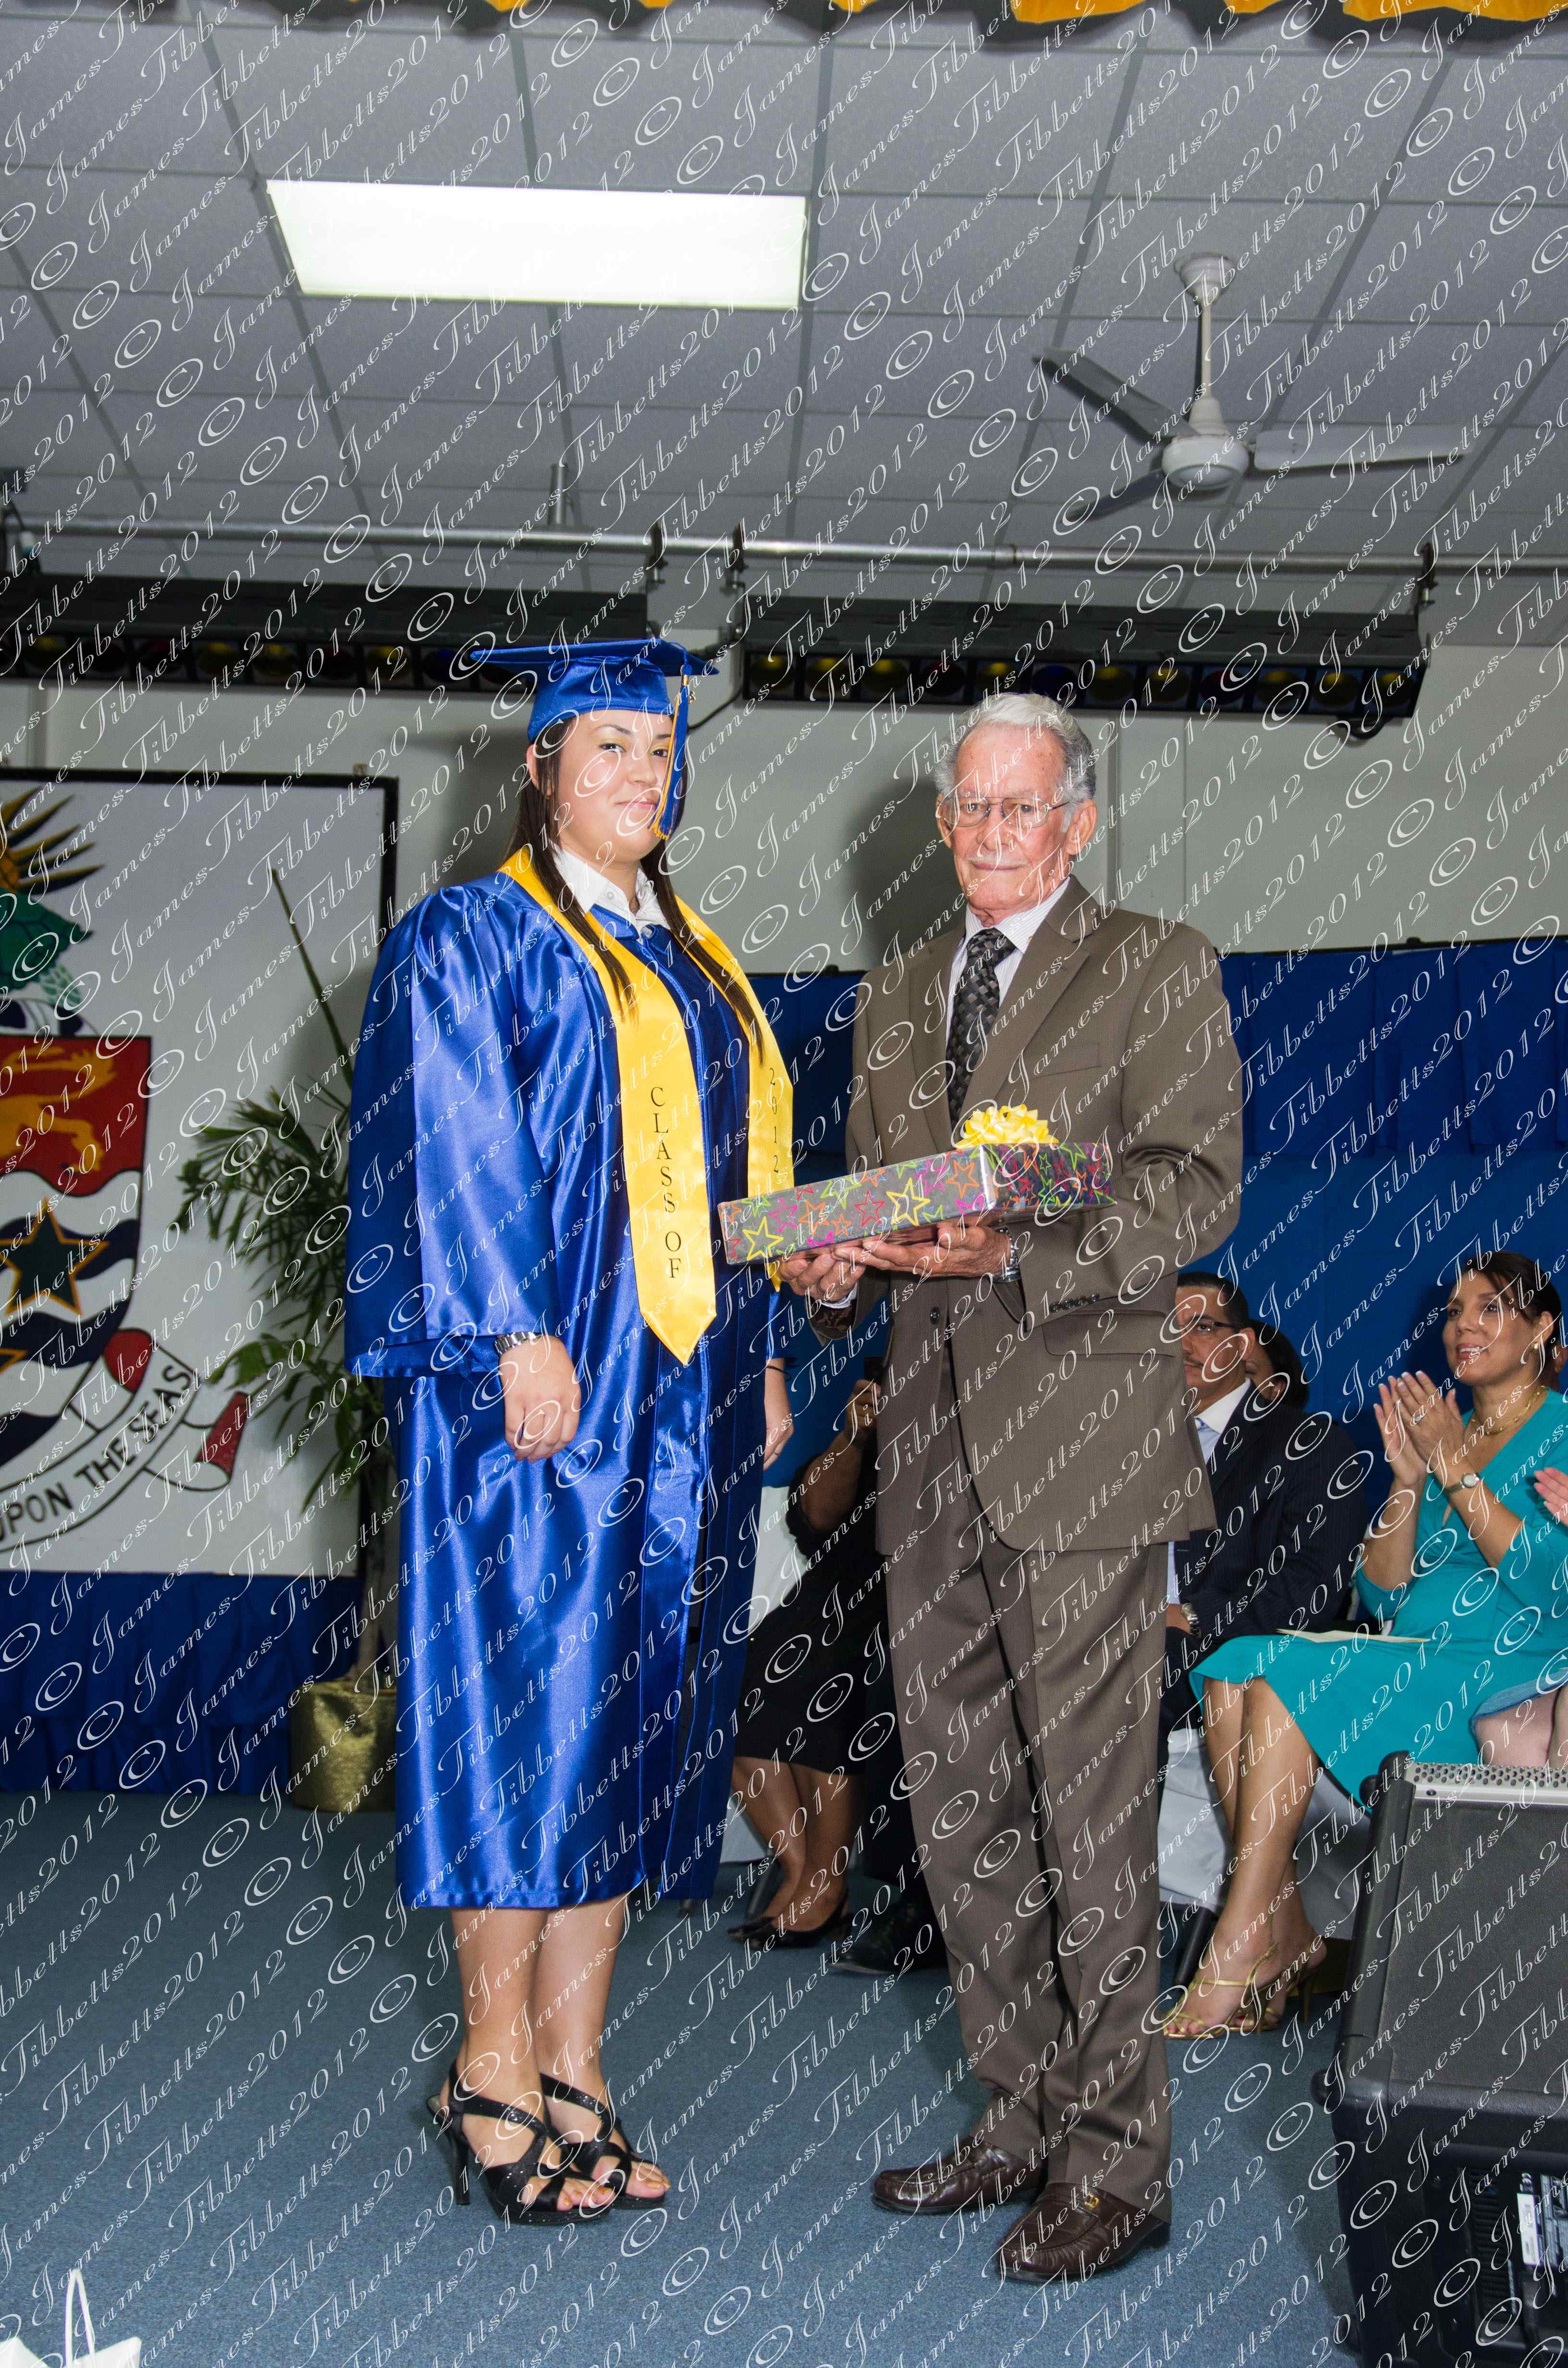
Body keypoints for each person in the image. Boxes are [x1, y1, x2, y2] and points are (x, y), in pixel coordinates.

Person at [781, 691, 1244, 2286]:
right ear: (942, 823)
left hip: (1086, 1452)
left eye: (1019, 805)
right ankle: (1020, 2115)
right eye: (966, 807)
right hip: (926, 1455)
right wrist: (835, 1267)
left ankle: (1117, 2163)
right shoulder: (896, 993)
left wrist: (1019, 1246)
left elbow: (1189, 1181)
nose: (989, 831)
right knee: (963, 1806)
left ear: (1078, 822)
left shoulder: (1157, 963)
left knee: (1088, 1820)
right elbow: (887, 1212)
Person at [344, 638, 796, 2227]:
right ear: (539, 768)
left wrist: (757, 1347)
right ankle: (490, 2065)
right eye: (610, 747)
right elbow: (449, 1140)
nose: (643, 776)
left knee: (633, 1720)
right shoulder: (475, 933)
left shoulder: (696, 958)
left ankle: (577, 2064)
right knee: (524, 1709)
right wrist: (511, 1327)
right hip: (540, 1381)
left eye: (661, 751)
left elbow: (727, 1185)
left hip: (682, 1388)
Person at [1166, 1252, 1568, 2039]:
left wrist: (1453, 1469)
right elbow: (1384, 1593)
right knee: (1233, 1663)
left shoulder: (1556, 1430)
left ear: (1541, 1329)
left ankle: (1247, 1938)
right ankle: (1277, 1919)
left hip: (1511, 1666)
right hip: (1418, 1651)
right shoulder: (1448, 1429)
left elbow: (1548, 1584)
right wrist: (1410, 1480)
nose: (1461, 1327)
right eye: (1454, 1312)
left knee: (1277, 1671)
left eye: (1488, 1308)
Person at [728, 1355, 941, 1963]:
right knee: (743, 1685)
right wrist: (855, 1435)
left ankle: (824, 1882)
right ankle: (806, 1872)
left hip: (916, 1602)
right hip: (834, 1595)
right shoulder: (864, 1439)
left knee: (827, 1684)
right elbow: (813, 1521)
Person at [1159, 1274, 1366, 1791]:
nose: (1181, 1343)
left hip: (1217, 1648)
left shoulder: (1308, 1441)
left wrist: (1193, 1615)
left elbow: (1313, 1584)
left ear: (1242, 1344)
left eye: (1202, 1326)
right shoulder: (1130, 1442)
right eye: (1167, 1327)